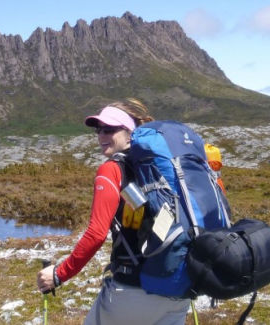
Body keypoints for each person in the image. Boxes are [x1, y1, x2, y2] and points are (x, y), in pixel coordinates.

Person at [37, 98, 191, 324]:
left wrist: (59, 275)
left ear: (130, 132)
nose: (101, 136)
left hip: (132, 292)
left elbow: (96, 234)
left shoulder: (111, 170)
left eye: (109, 129)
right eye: (99, 130)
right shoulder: (164, 165)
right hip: (179, 289)